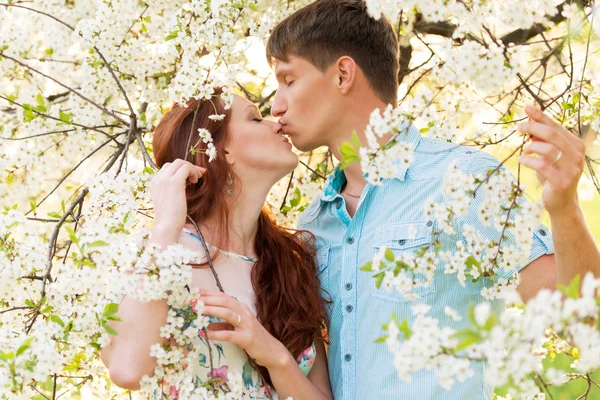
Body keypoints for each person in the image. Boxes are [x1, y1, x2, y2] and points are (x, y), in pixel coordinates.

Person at [266, 0, 600, 399]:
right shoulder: (311, 226)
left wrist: (564, 208)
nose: (276, 105)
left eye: (288, 79)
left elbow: (584, 320)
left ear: (342, 74)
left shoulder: (463, 181)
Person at [100, 89, 334, 400]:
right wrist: (167, 225)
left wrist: (274, 356)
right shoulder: (156, 251)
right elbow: (127, 370)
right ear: (219, 151)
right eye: (255, 118)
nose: (276, 123)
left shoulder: (292, 263)